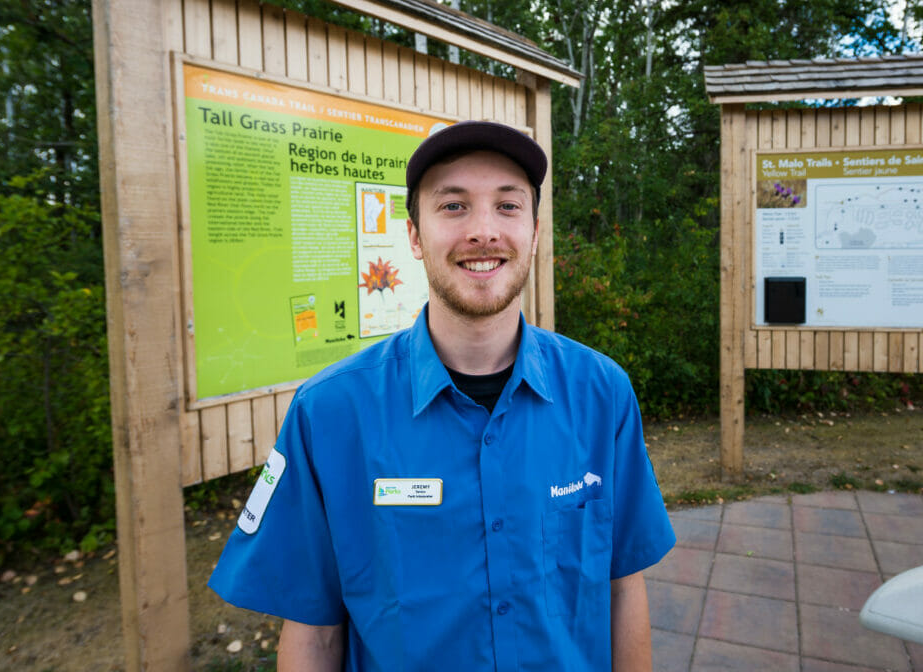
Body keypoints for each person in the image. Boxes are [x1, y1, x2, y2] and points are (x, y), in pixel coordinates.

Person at [209, 120, 676, 671]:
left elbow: (623, 588)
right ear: (413, 235)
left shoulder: (602, 395)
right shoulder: (330, 416)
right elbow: (315, 635)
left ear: (534, 228)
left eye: (508, 206)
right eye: (453, 206)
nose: (484, 231)